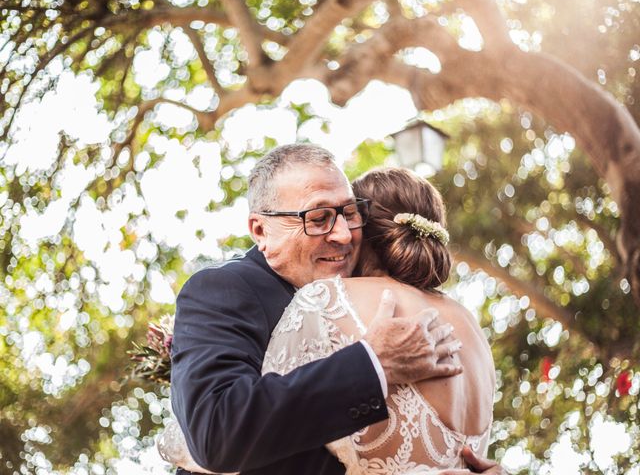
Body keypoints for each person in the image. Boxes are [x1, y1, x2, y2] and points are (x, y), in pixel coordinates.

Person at [169, 144, 502, 475]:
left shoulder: (371, 302)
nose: (343, 235)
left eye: (350, 212)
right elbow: (217, 433)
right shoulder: (224, 289)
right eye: (319, 219)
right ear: (260, 230)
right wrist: (373, 363)